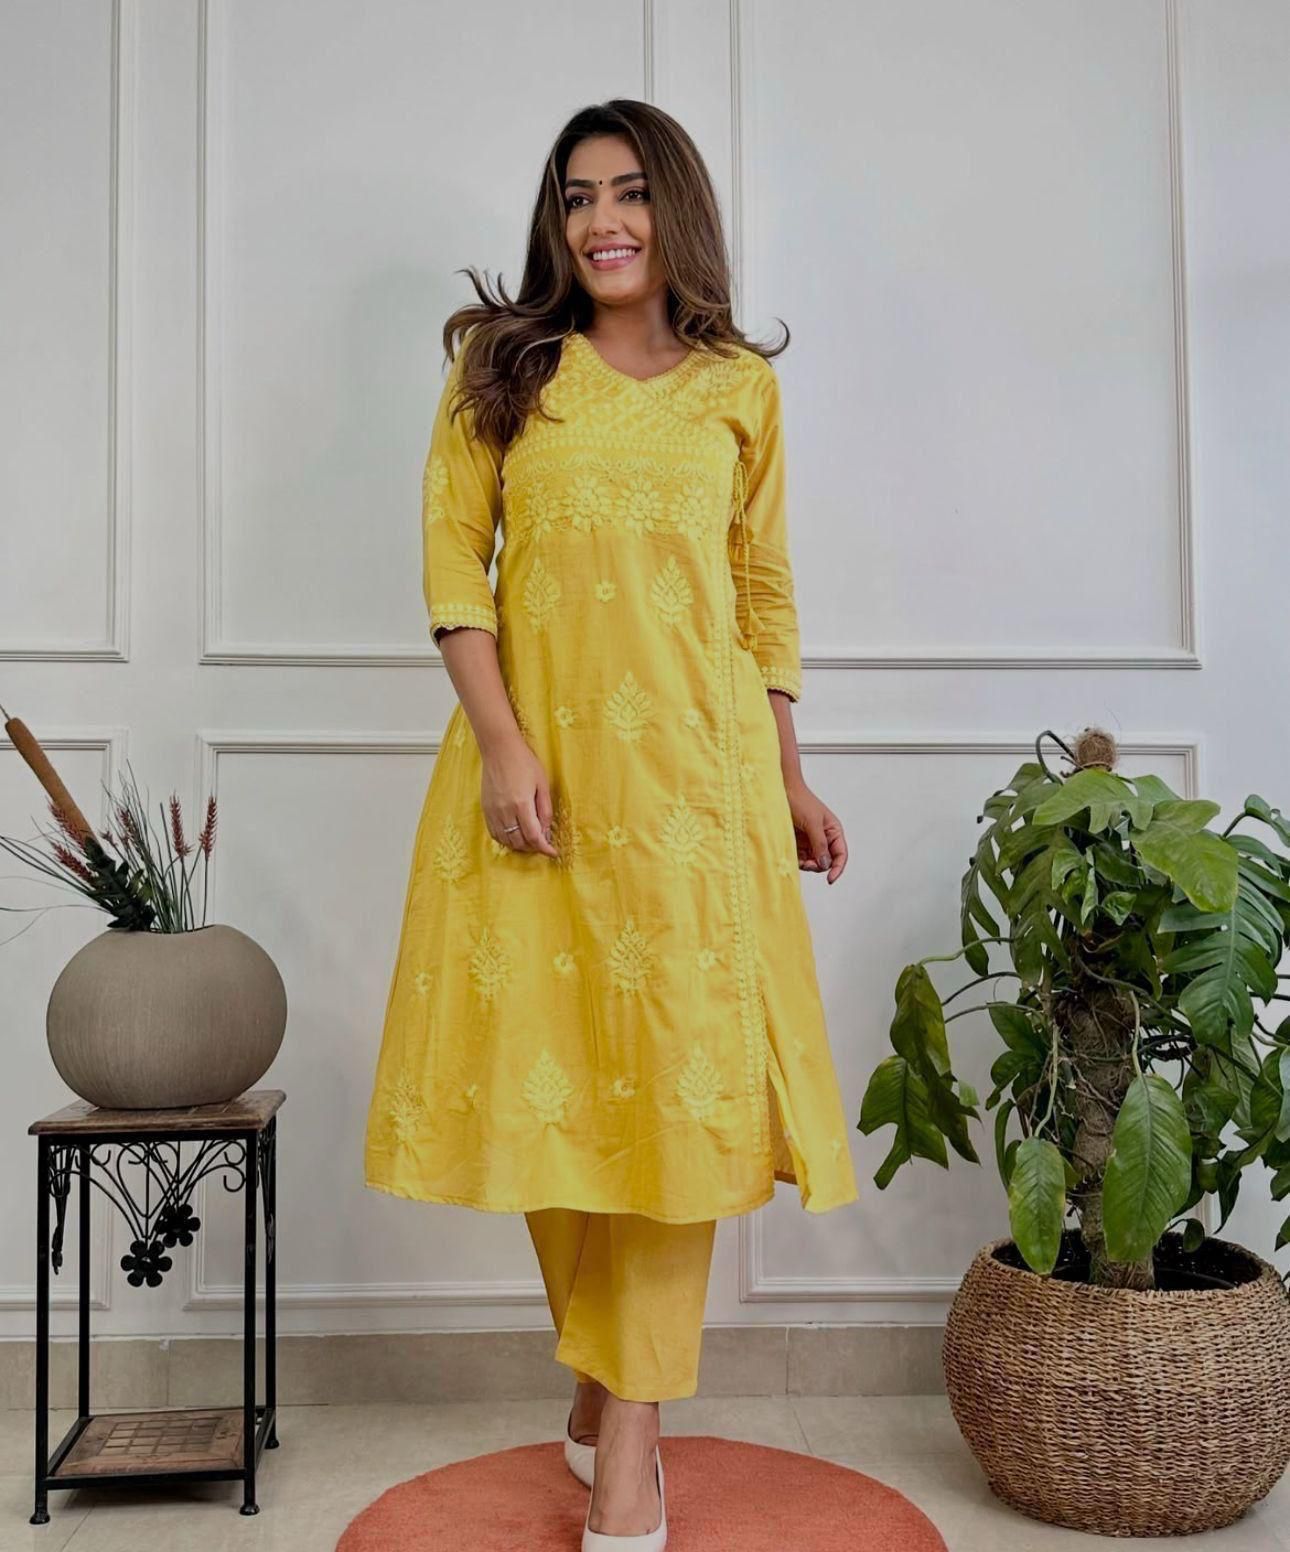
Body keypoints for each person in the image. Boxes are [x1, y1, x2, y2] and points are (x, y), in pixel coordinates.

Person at [364, 97, 859, 1549]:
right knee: (559, 1090)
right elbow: (452, 571)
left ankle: (630, 1441)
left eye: (629, 192)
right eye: (577, 198)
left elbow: (761, 593)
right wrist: (502, 742)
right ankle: (598, 1373)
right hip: (543, 790)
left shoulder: (738, 391)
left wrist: (788, 771)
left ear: (673, 208)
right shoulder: (502, 371)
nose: (602, 222)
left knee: (678, 1104)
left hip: (700, 794)